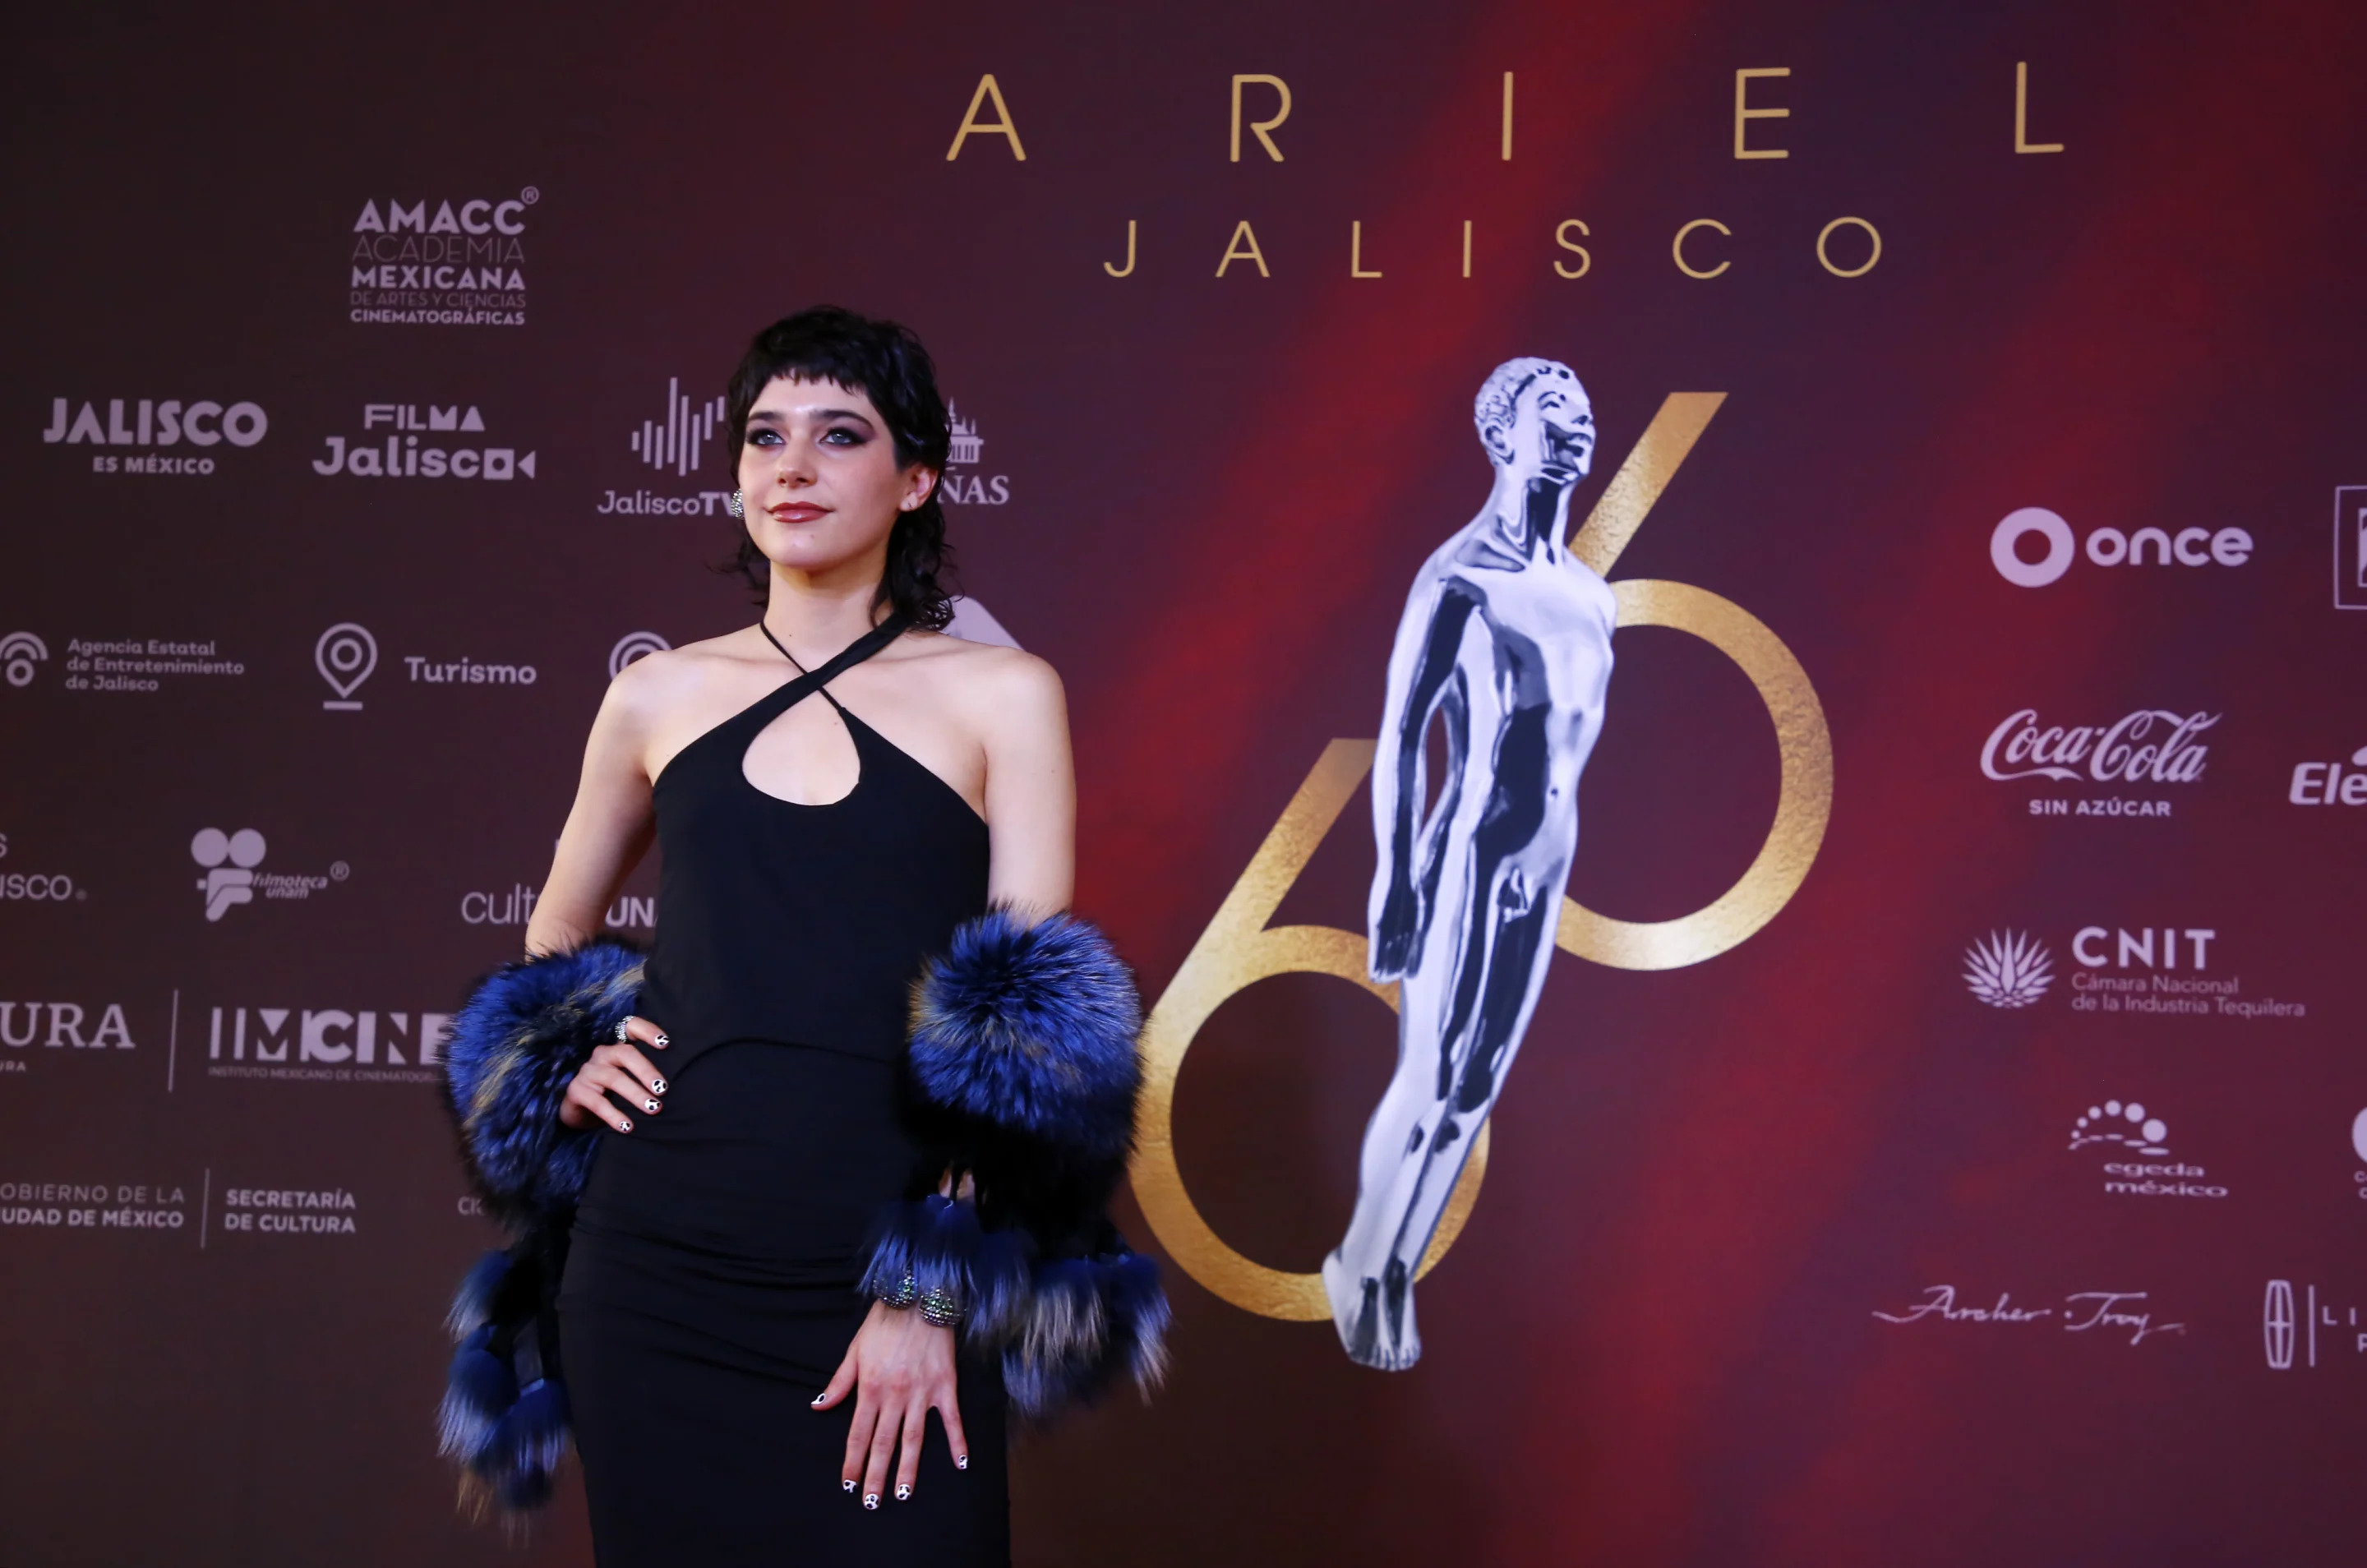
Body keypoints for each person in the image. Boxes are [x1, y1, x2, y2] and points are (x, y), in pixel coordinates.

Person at [435, 307, 1164, 1566]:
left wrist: (926, 1292)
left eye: (840, 436)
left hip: (879, 1245)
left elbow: (1031, 1032)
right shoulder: (659, 691)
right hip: (654, 1263)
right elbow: (553, 925)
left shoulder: (1002, 693)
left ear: (918, 476)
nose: (793, 466)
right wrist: (559, 1058)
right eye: (766, 436)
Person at [1320, 357, 1616, 1372]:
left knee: (1479, 1083)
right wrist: (1395, 879)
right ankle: (1363, 1263)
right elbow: (1404, 737)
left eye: (1581, 414)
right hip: (1472, 850)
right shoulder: (1462, 578)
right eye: (1550, 415)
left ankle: (1398, 1260)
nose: (1574, 430)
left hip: (1550, 856)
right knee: (1432, 1071)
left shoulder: (1589, 593)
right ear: (1501, 436)